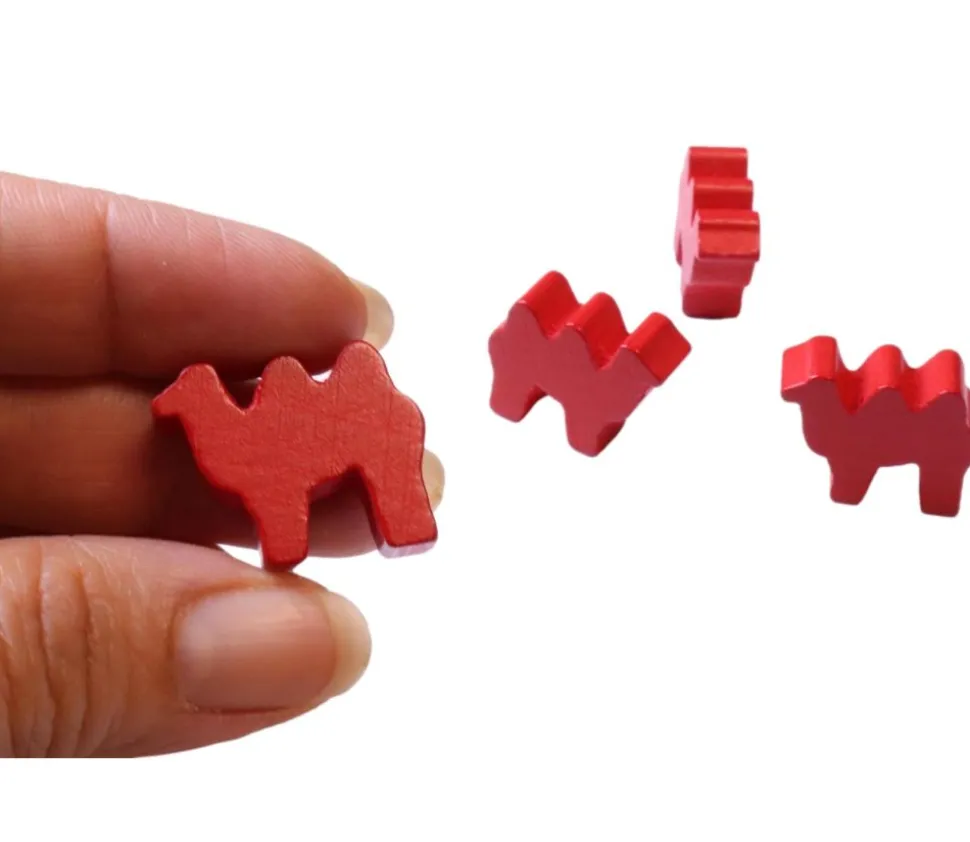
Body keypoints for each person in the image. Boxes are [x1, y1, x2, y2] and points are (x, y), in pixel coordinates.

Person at [0, 171, 445, 757]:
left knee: (342, 488)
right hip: (343, 417)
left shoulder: (283, 437)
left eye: (185, 399)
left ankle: (402, 521)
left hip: (364, 419)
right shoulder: (237, 442)